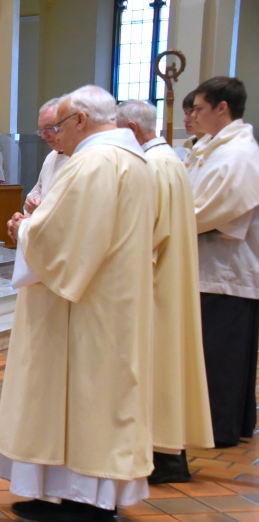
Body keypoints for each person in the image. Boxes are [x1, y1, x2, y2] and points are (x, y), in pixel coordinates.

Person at [0, 86, 155, 522]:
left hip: (85, 307)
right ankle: (66, 493)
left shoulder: (96, 160)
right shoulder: (131, 158)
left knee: (84, 397)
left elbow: (61, 237)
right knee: (95, 399)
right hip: (108, 300)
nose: (56, 136)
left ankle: (86, 501)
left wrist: (25, 228)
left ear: (81, 120)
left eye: (59, 126)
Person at [117, 100, 213, 484]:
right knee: (168, 368)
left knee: (156, 368)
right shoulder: (171, 160)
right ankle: (167, 450)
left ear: (132, 130)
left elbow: (146, 233)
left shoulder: (151, 166)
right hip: (171, 280)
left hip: (154, 284)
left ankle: (163, 454)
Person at [189, 76, 259, 448]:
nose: (193, 115)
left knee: (221, 356)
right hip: (211, 268)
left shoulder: (237, 154)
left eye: (199, 108)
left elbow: (209, 209)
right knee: (220, 353)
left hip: (225, 271)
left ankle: (221, 428)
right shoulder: (212, 149)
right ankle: (231, 422)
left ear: (222, 108)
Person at [24, 98, 70, 214]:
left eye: (48, 128)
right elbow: (38, 191)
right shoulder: (51, 157)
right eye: (41, 130)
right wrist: (32, 202)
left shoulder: (80, 158)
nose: (44, 136)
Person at [181, 91, 207, 170]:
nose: (185, 120)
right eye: (186, 113)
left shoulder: (214, 145)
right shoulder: (189, 144)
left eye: (191, 112)